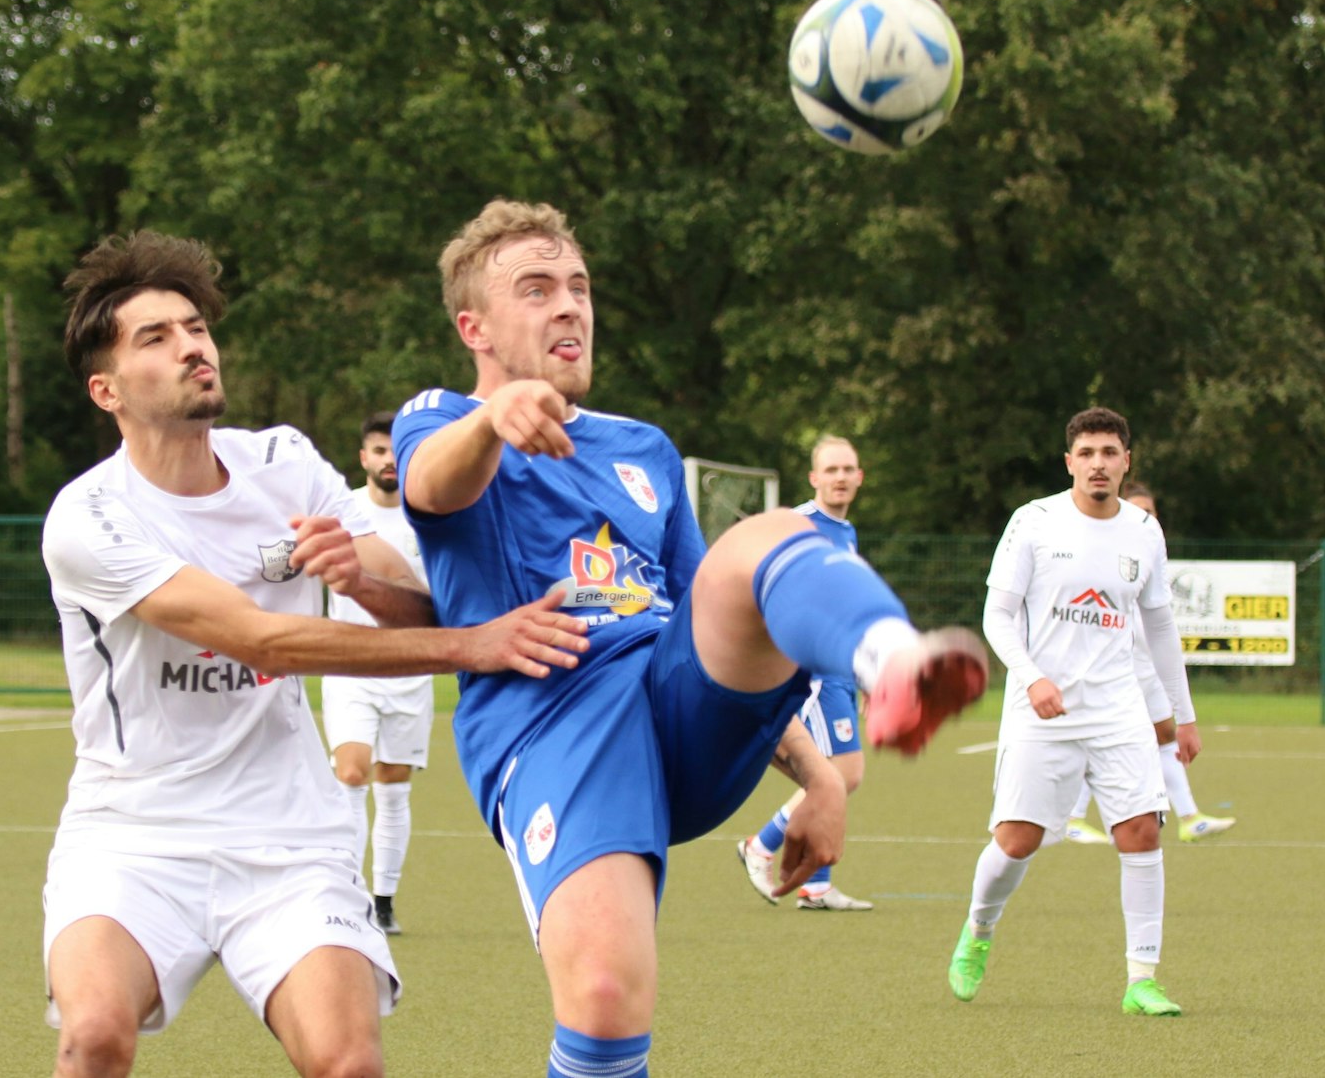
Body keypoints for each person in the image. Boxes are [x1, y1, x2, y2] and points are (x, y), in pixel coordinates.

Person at [393, 199, 983, 1076]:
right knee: (602, 999)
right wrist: (493, 416)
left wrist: (821, 775)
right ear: (473, 325)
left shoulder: (645, 448)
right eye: (537, 288)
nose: (569, 305)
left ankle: (892, 659)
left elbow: (718, 610)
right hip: (554, 721)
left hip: (675, 704)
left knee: (763, 538)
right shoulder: (440, 419)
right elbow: (432, 487)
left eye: (580, 286)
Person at [39, 231, 590, 1078]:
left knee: (347, 1063)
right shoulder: (89, 517)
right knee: (94, 1038)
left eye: (196, 328)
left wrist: (363, 584)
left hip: (289, 834)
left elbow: (411, 596)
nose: (192, 346)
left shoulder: (284, 462)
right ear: (105, 388)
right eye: (156, 337)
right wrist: (474, 646)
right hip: (133, 834)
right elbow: (260, 638)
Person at [950, 407, 1200, 1018]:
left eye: (1109, 452)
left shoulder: (1144, 530)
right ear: (1069, 463)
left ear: (1126, 461)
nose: (1098, 464)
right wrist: (1032, 678)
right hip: (1042, 712)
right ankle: (978, 930)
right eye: (1086, 453)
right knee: (1017, 841)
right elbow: (997, 616)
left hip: (1118, 710)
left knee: (1140, 832)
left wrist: (1182, 713)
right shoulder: (1033, 522)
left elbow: (1161, 626)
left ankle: (1142, 978)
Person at [738, 435, 876, 910]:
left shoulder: (846, 531)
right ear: (815, 478)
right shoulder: (798, 524)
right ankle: (761, 845)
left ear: (859, 476)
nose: (840, 477)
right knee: (838, 775)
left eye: (847, 469)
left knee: (836, 776)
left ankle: (816, 884)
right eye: (831, 470)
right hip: (813, 673)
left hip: (839, 671)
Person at [1063, 482, 1236, 846]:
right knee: (1106, 738)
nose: (1145, 515)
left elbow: (1158, 620)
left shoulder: (1150, 546)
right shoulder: (1105, 548)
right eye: (1138, 507)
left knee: (1165, 735)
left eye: (1151, 510)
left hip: (1145, 667)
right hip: (1116, 670)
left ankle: (1189, 818)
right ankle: (1073, 817)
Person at [321, 411, 436, 936]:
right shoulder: (341, 511)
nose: (388, 460)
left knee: (393, 786)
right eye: (378, 451)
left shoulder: (429, 516)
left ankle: (383, 899)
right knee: (351, 772)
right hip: (351, 663)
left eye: (396, 451)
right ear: (363, 457)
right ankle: (347, 893)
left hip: (410, 669)